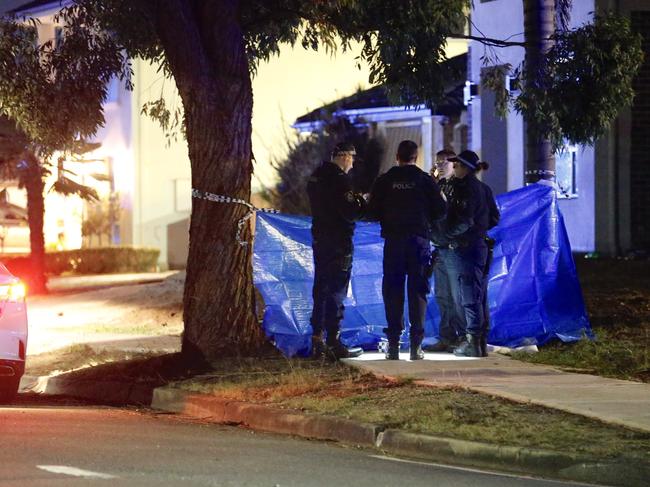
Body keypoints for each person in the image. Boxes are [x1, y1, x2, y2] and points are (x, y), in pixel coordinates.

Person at [366, 140, 447, 360]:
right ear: (416, 157)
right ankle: (415, 347)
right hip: (419, 241)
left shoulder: (385, 180)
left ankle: (393, 346)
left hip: (394, 242)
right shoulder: (425, 181)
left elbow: (371, 212)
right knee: (418, 291)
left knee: (393, 290)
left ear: (397, 157)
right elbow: (441, 210)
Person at [307, 142, 366, 360]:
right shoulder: (340, 180)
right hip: (339, 240)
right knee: (336, 290)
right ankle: (333, 341)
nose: (352, 163)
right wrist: (362, 203)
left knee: (320, 288)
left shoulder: (316, 176)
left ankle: (317, 339)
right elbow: (351, 212)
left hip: (320, 237)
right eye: (351, 158)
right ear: (343, 157)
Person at [443, 150, 500, 357]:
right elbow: (495, 218)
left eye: (456, 165)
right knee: (479, 294)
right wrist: (480, 228)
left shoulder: (466, 189)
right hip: (481, 247)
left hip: (465, 248)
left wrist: (447, 235)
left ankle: (472, 343)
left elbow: (465, 220)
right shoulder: (484, 188)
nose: (453, 169)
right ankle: (480, 341)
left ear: (465, 167)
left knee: (468, 295)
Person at [424, 149, 466, 353]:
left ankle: (464, 337)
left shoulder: (459, 187)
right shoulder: (437, 186)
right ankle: (447, 337)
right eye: (437, 162)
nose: (440, 165)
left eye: (444, 162)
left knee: (457, 297)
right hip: (439, 248)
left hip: (454, 248)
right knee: (442, 296)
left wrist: (451, 238)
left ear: (454, 163)